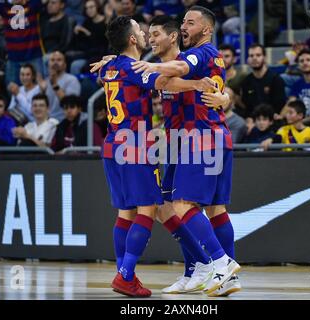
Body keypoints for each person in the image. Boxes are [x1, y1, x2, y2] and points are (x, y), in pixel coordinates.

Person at [96, 16, 218, 298]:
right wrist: (197, 84)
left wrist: (106, 59)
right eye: (140, 30)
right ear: (132, 40)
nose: (145, 34)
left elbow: (115, 71)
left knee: (127, 211)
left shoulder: (111, 67)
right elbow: (165, 82)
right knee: (148, 210)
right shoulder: (134, 67)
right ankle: (126, 275)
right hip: (135, 144)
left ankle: (126, 272)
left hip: (113, 144)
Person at [130, 6, 241, 296]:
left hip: (199, 138)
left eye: (189, 23)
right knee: (211, 209)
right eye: (183, 22)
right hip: (196, 139)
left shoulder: (196, 56)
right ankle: (208, 272)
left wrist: (153, 67)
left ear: (205, 29)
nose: (184, 27)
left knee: (182, 206)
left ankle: (220, 263)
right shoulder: (202, 59)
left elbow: (178, 71)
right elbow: (211, 89)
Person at [0, 0, 45, 85]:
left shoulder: (32, 5)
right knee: (11, 89)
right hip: (13, 59)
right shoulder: (5, 8)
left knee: (40, 87)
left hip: (33, 56)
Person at [240, 43, 286, 125]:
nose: (254, 58)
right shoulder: (246, 82)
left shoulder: (276, 79)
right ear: (248, 60)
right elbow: (247, 107)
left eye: (258, 55)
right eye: (251, 56)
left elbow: (279, 106)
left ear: (265, 57)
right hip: (253, 122)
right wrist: (249, 119)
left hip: (272, 121)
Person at [284, 49, 310, 127]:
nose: (305, 63)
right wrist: (280, 117)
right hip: (299, 125)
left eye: (308, 60)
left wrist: (300, 122)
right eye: (301, 61)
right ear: (298, 65)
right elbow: (289, 104)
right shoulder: (297, 84)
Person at [38, 51, 81, 121]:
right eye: (52, 60)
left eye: (59, 60)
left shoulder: (72, 80)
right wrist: (42, 92)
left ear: (65, 65)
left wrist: (55, 85)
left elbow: (70, 104)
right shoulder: (45, 81)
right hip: (47, 121)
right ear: (48, 64)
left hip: (64, 120)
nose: (55, 62)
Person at [218, 44, 247, 111]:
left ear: (234, 59)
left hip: (237, 113)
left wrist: (233, 96)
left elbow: (246, 104)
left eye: (227, 56)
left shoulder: (242, 76)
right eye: (220, 57)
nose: (223, 59)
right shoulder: (212, 76)